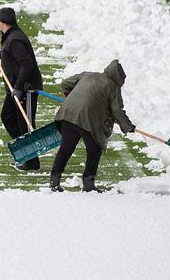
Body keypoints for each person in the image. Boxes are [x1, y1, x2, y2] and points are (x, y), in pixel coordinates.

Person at [49, 60, 137, 193]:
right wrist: (128, 126)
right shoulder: (113, 87)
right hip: (88, 121)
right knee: (94, 150)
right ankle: (88, 184)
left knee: (66, 148)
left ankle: (54, 181)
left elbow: (65, 83)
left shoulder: (87, 75)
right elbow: (117, 111)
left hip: (67, 114)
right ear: (119, 79)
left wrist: (70, 97)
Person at [0, 6, 44, 171]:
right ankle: (24, 153)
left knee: (25, 125)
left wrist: (19, 88)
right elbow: (14, 55)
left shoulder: (15, 39)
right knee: (8, 117)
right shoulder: (11, 37)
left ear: (2, 23)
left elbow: (27, 65)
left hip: (25, 89)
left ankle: (32, 163)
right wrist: (0, 54)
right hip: (15, 89)